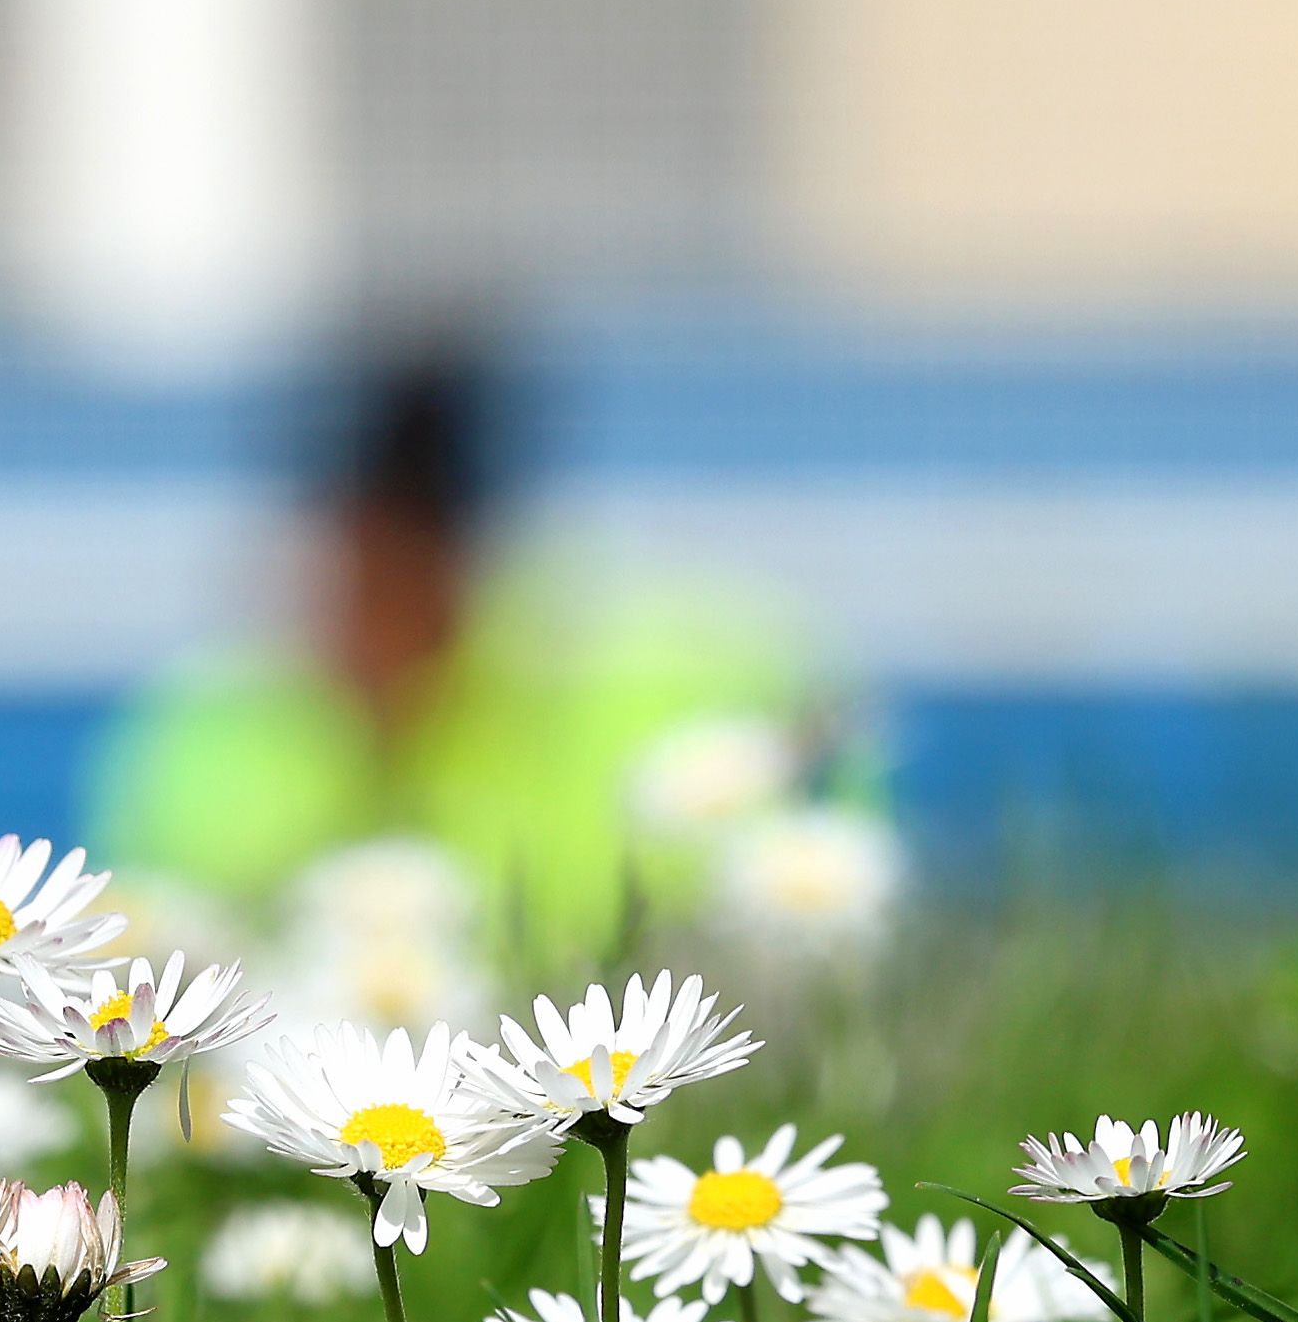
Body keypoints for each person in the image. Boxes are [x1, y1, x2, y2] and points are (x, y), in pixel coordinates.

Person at [86, 330, 824, 952]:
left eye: (400, 586)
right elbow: (167, 950)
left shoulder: (647, 676)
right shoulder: (205, 729)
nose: (371, 632)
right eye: (355, 579)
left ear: (467, 567)